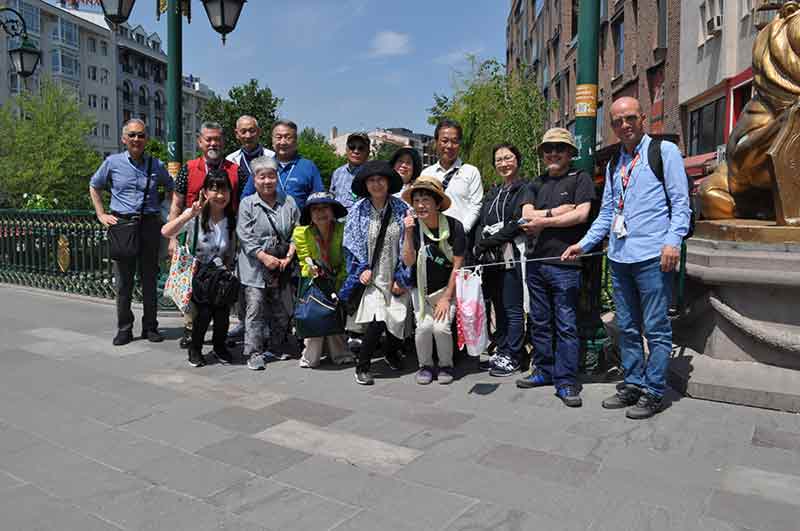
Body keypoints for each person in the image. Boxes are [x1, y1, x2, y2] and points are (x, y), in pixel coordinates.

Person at [562, 96, 690, 419]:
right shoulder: (614, 164)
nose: (624, 125)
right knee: (628, 327)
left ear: (643, 118)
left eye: (630, 118)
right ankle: (633, 383)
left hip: (653, 257)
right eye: (617, 121)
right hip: (620, 259)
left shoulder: (664, 152)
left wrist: (672, 241)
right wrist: (584, 244)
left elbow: (681, 203)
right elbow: (607, 214)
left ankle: (654, 391)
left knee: (656, 329)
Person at [515, 128, 595, 408]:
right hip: (535, 262)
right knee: (539, 321)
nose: (553, 153)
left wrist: (543, 221)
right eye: (548, 149)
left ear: (570, 152)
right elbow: (526, 216)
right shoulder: (535, 182)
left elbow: (582, 214)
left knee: (566, 324)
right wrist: (558, 212)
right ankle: (544, 370)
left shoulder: (581, 178)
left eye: (559, 148)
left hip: (565, 264)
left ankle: (566, 380)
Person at [89, 119, 173, 346]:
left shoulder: (156, 164)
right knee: (123, 282)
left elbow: (172, 187)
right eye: (132, 135)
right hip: (123, 226)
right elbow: (94, 185)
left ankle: (150, 327)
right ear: (124, 139)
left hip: (149, 226)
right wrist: (101, 214)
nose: (137, 139)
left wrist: (166, 211)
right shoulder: (112, 162)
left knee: (149, 280)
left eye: (141, 135)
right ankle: (124, 328)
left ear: (146, 139)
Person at [170, 121, 241, 349]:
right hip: (195, 236)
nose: (213, 143)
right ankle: (191, 332)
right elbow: (176, 203)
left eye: (217, 139)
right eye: (208, 139)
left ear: (223, 142)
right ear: (200, 141)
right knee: (193, 291)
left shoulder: (235, 170)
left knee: (220, 292)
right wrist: (172, 239)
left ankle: (220, 337)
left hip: (224, 235)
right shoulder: (188, 168)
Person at [340, 160, 410, 385]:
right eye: (371, 180)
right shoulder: (358, 210)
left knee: (397, 320)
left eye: (381, 179)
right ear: (365, 184)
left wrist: (402, 276)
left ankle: (390, 352)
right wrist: (360, 269)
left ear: (388, 182)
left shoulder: (402, 208)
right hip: (371, 277)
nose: (376, 184)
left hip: (395, 274)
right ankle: (362, 366)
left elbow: (409, 245)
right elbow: (350, 244)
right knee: (378, 319)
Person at [161, 169, 237, 367]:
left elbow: (231, 247)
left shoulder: (231, 219)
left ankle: (219, 347)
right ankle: (195, 349)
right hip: (199, 273)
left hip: (221, 275)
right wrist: (189, 215)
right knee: (203, 314)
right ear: (205, 192)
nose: (220, 195)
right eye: (215, 190)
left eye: (224, 190)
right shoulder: (195, 215)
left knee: (222, 314)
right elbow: (166, 231)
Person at [473, 144, 531, 377]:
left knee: (513, 306)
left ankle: (514, 354)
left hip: (510, 254)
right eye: (499, 159)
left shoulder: (525, 188)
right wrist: (480, 243)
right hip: (491, 258)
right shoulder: (494, 191)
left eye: (508, 158)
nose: (503, 163)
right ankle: (503, 348)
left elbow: (518, 223)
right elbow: (481, 221)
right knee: (498, 305)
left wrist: (487, 242)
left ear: (518, 160)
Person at [237, 157, 300, 371]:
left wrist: (289, 255)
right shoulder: (247, 204)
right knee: (255, 308)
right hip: (255, 267)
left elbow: (298, 230)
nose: (267, 181)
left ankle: (276, 345)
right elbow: (244, 236)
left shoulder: (288, 202)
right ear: (254, 179)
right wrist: (263, 256)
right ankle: (254, 352)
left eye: (271, 176)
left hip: (281, 264)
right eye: (262, 177)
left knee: (280, 308)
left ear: (277, 178)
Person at [401, 177, 465, 385]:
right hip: (421, 291)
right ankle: (425, 365)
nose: (420, 205)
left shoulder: (454, 226)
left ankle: (446, 365)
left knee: (441, 328)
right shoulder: (413, 227)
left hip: (447, 289)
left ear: (438, 204)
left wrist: (447, 297)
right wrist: (408, 233)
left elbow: (458, 265)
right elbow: (408, 261)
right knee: (423, 328)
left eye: (426, 200)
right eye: (417, 200)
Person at [293, 192, 351, 368]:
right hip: (314, 281)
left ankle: (341, 354)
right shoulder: (301, 233)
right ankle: (310, 356)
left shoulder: (343, 229)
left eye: (325, 207)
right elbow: (304, 260)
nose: (320, 213)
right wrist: (312, 270)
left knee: (335, 314)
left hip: (339, 278)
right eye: (315, 209)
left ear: (332, 211)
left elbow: (346, 259)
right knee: (315, 314)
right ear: (309, 214)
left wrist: (338, 281)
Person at [420, 119, 483, 250]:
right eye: (444, 141)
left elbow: (476, 205)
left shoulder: (471, 172)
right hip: (432, 241)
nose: (449, 146)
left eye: (454, 141)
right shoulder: (426, 173)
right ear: (436, 142)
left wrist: (461, 231)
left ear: (459, 144)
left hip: (461, 241)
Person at [240, 120, 325, 209]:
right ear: (272, 140)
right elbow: (245, 199)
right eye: (278, 137)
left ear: (295, 140)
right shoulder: (261, 165)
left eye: (288, 137)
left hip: (299, 218)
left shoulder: (308, 166)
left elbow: (319, 199)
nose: (283, 142)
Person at [226, 115, 275, 202]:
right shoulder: (230, 160)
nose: (248, 136)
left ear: (259, 132)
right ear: (237, 134)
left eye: (252, 131)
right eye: (243, 131)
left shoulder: (272, 157)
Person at [330, 132, 370, 210]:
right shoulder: (337, 173)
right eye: (352, 147)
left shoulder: (372, 174)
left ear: (368, 152)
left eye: (361, 148)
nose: (356, 151)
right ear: (346, 149)